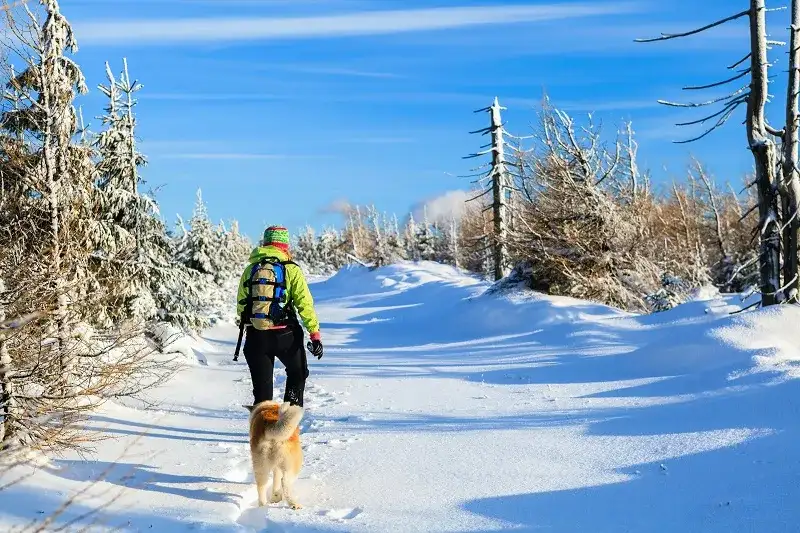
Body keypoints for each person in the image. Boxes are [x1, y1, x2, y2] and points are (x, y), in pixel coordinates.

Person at [235, 226, 323, 407]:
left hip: (256, 336)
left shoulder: (251, 269)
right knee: (297, 374)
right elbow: (305, 304)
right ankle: (289, 420)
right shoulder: (291, 269)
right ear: (285, 246)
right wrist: (314, 334)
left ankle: (263, 424)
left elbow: (241, 306)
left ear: (265, 243)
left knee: (262, 394)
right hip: (286, 335)